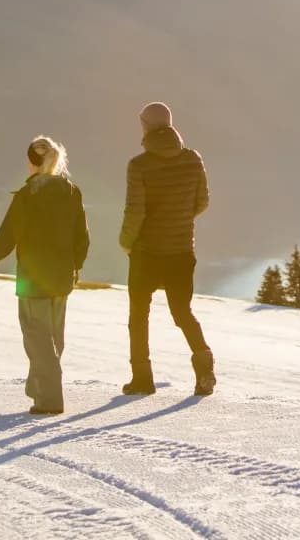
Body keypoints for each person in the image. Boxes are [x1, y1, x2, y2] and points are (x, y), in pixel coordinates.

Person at [0, 135, 89, 415]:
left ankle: (49, 399)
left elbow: (8, 236)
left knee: (37, 338)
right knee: (54, 337)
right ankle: (39, 386)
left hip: (33, 279)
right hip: (62, 277)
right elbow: (82, 238)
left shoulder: (28, 196)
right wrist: (75, 266)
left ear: (34, 163)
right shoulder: (72, 192)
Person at [119, 102, 215, 396]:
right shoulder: (193, 160)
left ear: (145, 126)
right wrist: (179, 220)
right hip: (182, 250)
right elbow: (202, 202)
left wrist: (126, 242)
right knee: (182, 312)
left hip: (146, 252)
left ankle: (142, 379)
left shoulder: (139, 165)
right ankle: (205, 371)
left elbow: (135, 212)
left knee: (139, 316)